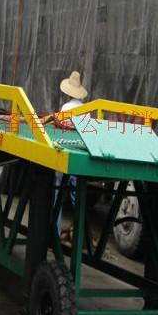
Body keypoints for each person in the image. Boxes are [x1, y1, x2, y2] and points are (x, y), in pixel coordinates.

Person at [56, 71, 89, 240]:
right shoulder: (86, 110)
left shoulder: (66, 108)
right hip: (79, 156)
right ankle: (81, 234)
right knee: (77, 195)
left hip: (65, 154)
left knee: (57, 194)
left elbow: (59, 127)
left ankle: (54, 232)